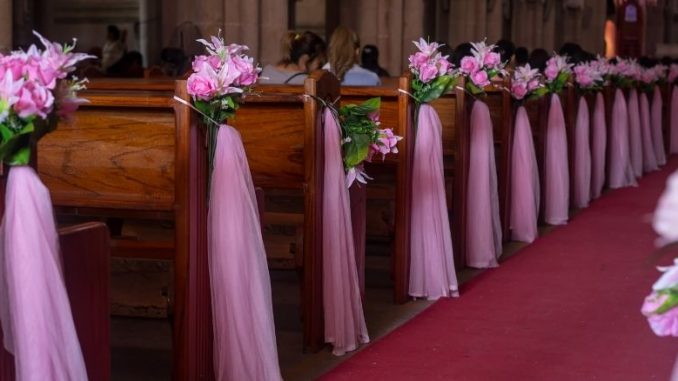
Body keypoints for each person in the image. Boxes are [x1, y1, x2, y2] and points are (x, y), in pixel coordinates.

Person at [260, 31, 327, 85]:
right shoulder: (307, 82)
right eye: (319, 64)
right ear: (304, 60)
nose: (321, 69)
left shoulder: (267, 72)